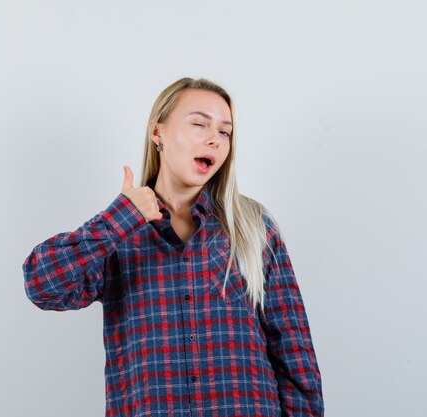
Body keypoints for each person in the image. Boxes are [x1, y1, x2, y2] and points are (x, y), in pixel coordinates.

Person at [22, 77, 324, 417]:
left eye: (225, 132)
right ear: (158, 133)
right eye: (199, 124)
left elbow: (295, 355)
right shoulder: (120, 234)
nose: (215, 139)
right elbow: (43, 286)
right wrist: (121, 218)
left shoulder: (255, 226)